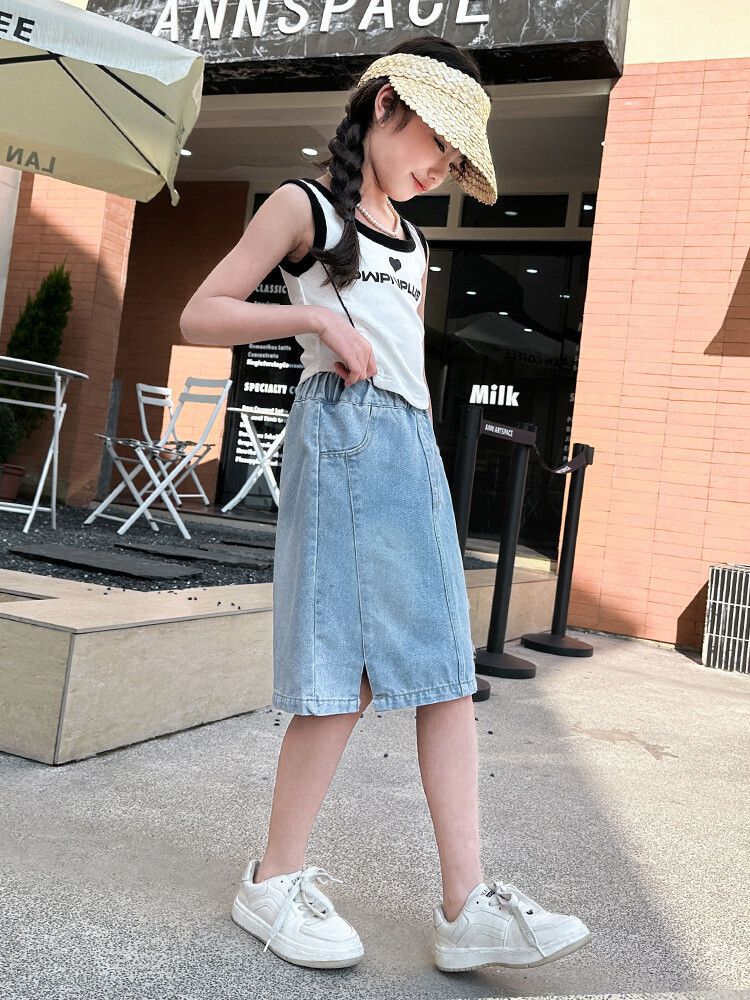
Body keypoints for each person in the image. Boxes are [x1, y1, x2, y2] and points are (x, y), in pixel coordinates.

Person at [180, 34, 591, 973]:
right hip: (345, 429)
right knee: (344, 669)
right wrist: (313, 318)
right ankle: (276, 879)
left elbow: (401, 353)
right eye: (435, 141)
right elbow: (200, 313)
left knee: (443, 669)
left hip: (407, 443)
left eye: (453, 157)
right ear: (383, 107)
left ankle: (465, 903)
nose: (439, 168)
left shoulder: (413, 238)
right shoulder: (304, 207)